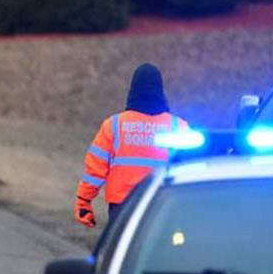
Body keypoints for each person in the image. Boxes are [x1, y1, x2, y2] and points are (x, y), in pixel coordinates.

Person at [75, 63, 189, 228]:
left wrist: (83, 201)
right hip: (163, 205)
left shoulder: (113, 125)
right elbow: (192, 168)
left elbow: (95, 170)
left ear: (132, 90)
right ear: (160, 90)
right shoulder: (179, 127)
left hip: (122, 205)